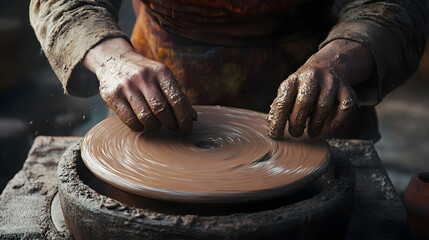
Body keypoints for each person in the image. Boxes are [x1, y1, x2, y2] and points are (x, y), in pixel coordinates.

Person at [30, 0, 428, 141]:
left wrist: (336, 64)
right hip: (158, 88)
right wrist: (111, 59)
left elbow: (397, 4)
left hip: (314, 100)